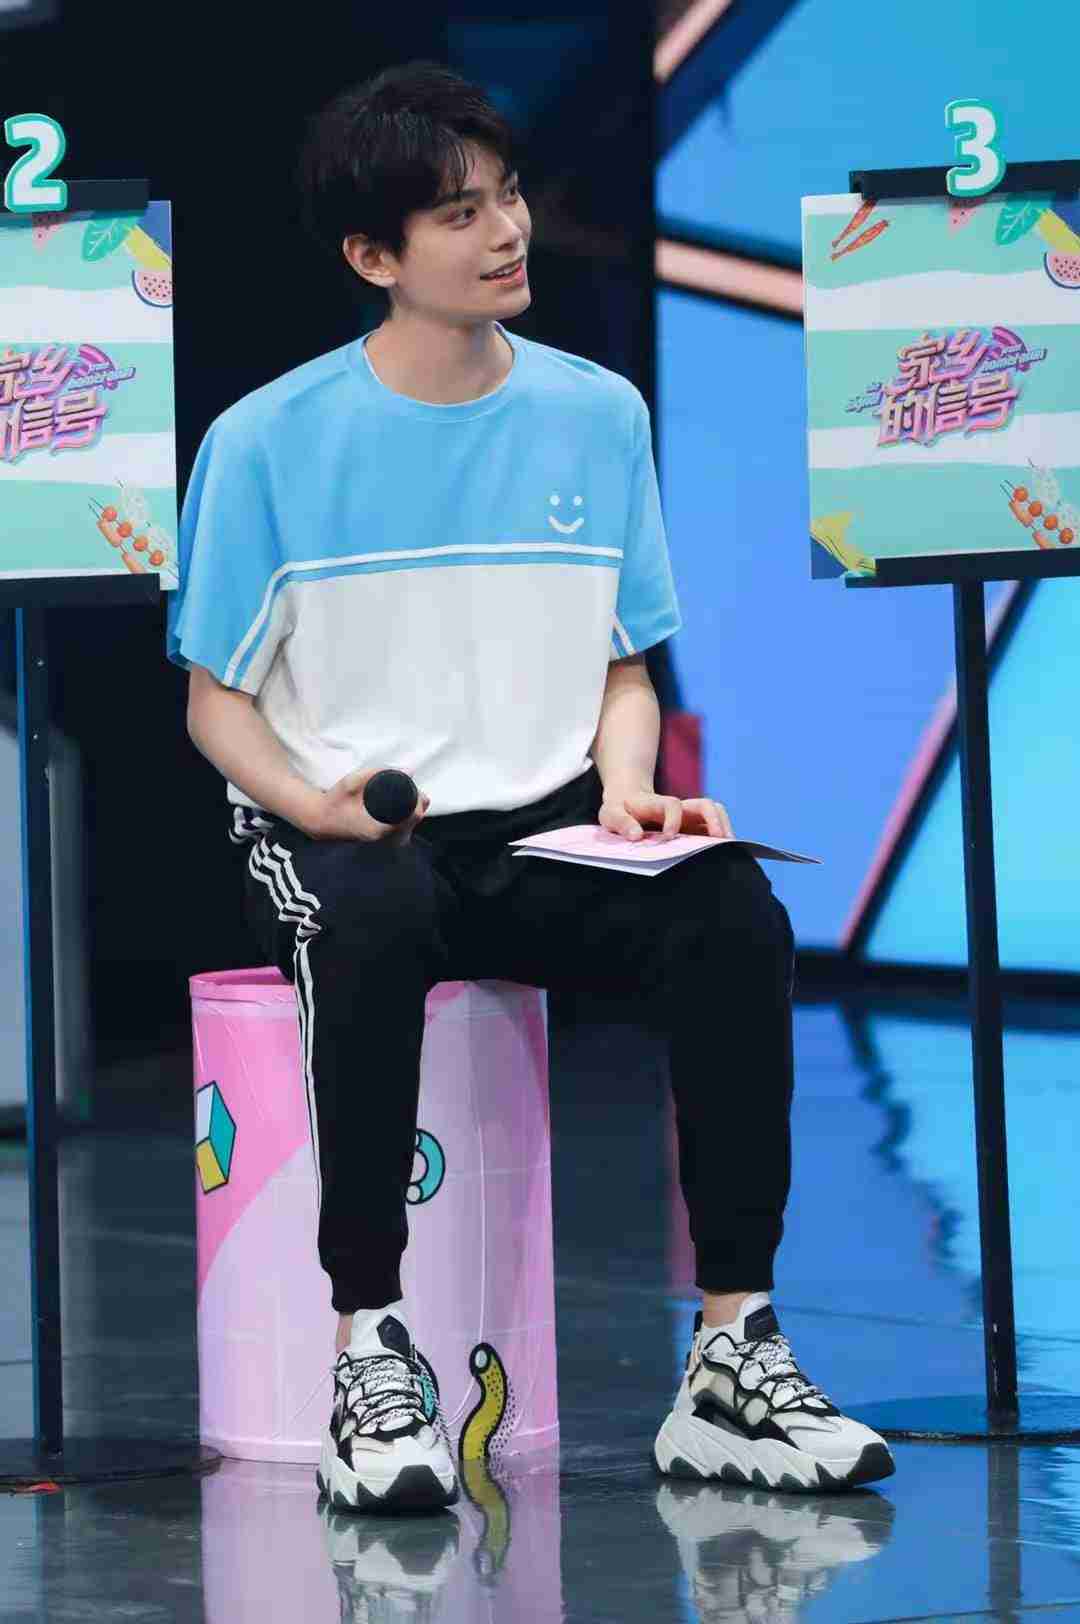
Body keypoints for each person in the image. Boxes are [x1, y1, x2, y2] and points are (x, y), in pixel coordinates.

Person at [168, 60, 894, 1514]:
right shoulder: (267, 441)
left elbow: (627, 667)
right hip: (348, 828)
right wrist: (313, 806)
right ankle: (370, 1352)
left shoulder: (597, 414)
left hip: (547, 824)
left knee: (729, 912)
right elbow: (215, 706)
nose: (506, 232)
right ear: (373, 256)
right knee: (369, 922)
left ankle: (733, 1352)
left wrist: (629, 787)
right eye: (459, 214)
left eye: (506, 197)